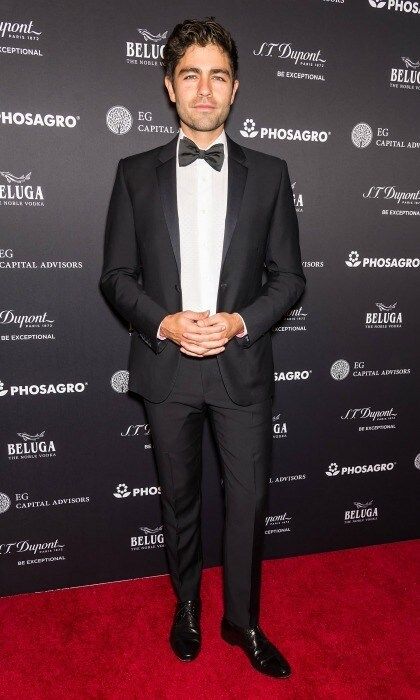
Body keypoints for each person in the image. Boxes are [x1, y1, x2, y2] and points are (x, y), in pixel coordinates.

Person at [100, 16, 305, 679]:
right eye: (191, 74)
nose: (205, 88)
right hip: (167, 370)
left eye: (218, 74)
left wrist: (241, 321)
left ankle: (242, 622)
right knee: (179, 499)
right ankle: (186, 605)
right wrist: (164, 323)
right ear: (170, 87)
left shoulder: (270, 174)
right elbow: (116, 278)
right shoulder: (134, 173)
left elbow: (290, 279)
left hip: (241, 369)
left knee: (247, 503)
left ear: (235, 87)